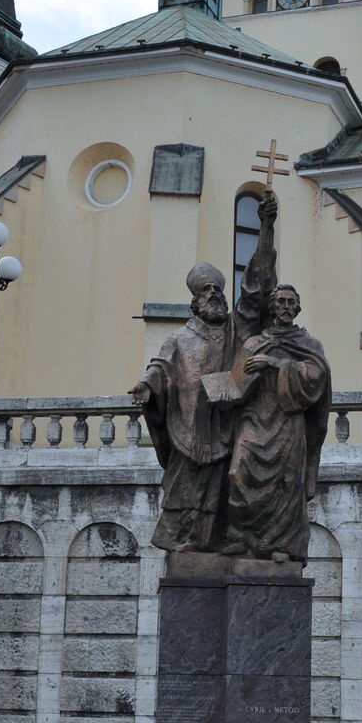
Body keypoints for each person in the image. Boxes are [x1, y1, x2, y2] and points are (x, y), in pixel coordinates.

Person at [130, 194, 277, 552]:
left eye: (217, 291)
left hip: (226, 424)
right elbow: (160, 368)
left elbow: (255, 289)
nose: (214, 296)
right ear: (194, 302)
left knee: (223, 489)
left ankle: (211, 542)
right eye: (206, 292)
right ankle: (184, 541)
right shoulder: (179, 338)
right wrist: (146, 388)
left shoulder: (235, 329)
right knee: (185, 487)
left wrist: (266, 229)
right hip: (188, 425)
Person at [222, 283, 331, 561]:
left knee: (288, 482)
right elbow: (235, 383)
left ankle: (281, 545)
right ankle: (240, 537)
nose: (285, 307)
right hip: (255, 415)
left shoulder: (308, 344)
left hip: (289, 418)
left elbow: (317, 376)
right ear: (272, 308)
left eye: (290, 302)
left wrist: (274, 363)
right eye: (280, 301)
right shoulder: (254, 343)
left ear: (297, 308)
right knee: (237, 473)